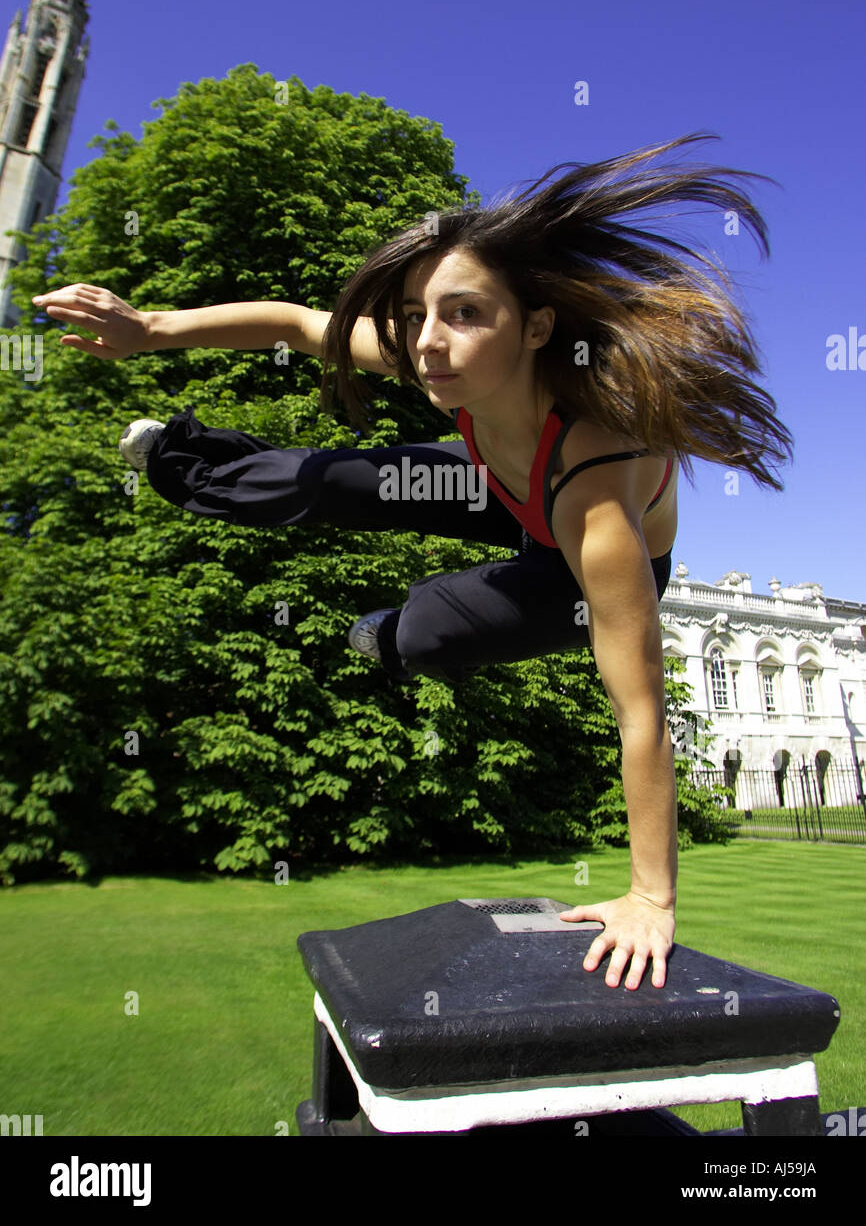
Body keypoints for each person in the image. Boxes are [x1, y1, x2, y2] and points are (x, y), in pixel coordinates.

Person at [30, 131, 793, 991]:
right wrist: (150, 329)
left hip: (563, 553)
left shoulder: (599, 485)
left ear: (536, 325)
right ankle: (179, 456)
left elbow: (639, 711)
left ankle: (389, 638)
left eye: (465, 314)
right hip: (493, 485)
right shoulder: (433, 354)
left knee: (429, 634)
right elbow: (295, 322)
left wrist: (651, 897)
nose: (429, 343)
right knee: (339, 479)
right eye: (417, 317)